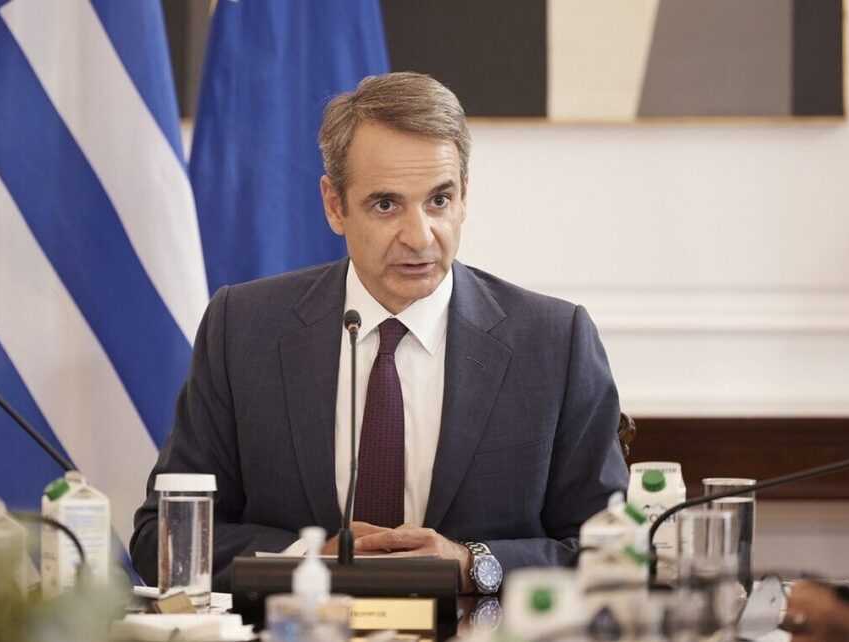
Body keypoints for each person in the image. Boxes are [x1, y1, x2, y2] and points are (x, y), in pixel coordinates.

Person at [130, 72, 628, 593]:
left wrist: (471, 563)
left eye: (439, 201)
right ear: (334, 205)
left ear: (464, 196)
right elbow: (163, 537)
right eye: (386, 204)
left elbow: (612, 550)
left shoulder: (553, 342)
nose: (420, 236)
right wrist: (310, 557)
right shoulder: (244, 328)